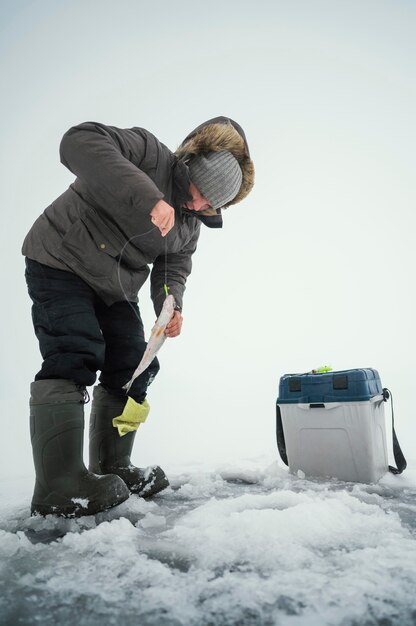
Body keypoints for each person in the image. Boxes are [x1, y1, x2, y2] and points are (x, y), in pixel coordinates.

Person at [22, 116, 255, 517]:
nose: (197, 207)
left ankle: (112, 467)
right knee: (74, 351)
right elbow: (77, 142)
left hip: (115, 285)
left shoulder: (190, 223)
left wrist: (171, 304)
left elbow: (173, 266)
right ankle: (57, 486)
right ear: (190, 170)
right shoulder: (148, 154)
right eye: (198, 194)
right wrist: (149, 197)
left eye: (210, 206)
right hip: (61, 259)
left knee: (137, 365)